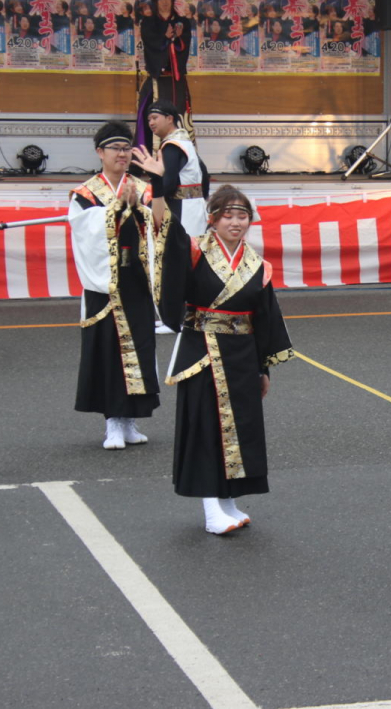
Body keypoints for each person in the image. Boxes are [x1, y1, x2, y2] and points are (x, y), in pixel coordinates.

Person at [147, 184, 295, 535]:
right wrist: (157, 189)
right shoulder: (195, 250)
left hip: (242, 355)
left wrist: (263, 368)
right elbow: (164, 229)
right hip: (204, 351)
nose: (236, 222)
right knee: (206, 429)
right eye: (228, 215)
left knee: (240, 430)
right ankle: (211, 507)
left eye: (242, 215)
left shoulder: (258, 265)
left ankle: (228, 501)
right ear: (212, 219)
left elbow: (265, 319)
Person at [69, 122, 161, 450]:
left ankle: (131, 420)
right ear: (100, 153)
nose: (122, 154)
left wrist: (137, 207)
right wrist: (115, 208)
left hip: (135, 279)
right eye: (114, 148)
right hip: (104, 284)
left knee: (139, 349)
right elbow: (84, 230)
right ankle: (112, 423)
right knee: (108, 352)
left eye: (126, 148)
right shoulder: (86, 193)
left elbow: (158, 226)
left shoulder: (143, 187)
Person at [138, 0, 193, 150]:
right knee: (149, 116)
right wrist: (165, 38)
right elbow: (151, 44)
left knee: (180, 117)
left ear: (173, 0)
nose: (164, 2)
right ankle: (148, 158)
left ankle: (182, 155)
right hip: (157, 78)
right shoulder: (149, 22)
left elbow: (185, 45)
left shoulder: (182, 22)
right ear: (155, 1)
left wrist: (175, 39)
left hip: (176, 79)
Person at [143, 99, 208, 237]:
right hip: (196, 206)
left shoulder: (172, 145)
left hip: (180, 210)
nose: (151, 123)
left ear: (169, 118)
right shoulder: (185, 142)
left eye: (155, 118)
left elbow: (168, 183)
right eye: (149, 119)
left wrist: (150, 201)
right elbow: (205, 173)